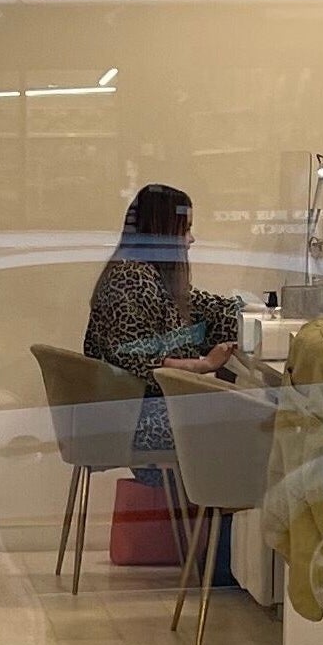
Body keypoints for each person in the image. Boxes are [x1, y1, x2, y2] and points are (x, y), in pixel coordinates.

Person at [83, 183, 242, 457]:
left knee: (253, 415)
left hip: (144, 413)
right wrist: (205, 365)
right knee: (265, 423)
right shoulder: (130, 279)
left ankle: (212, 497)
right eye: (186, 229)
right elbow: (140, 364)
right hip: (139, 420)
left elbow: (204, 309)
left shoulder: (149, 277)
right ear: (163, 232)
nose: (191, 240)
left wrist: (253, 313)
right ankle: (213, 497)